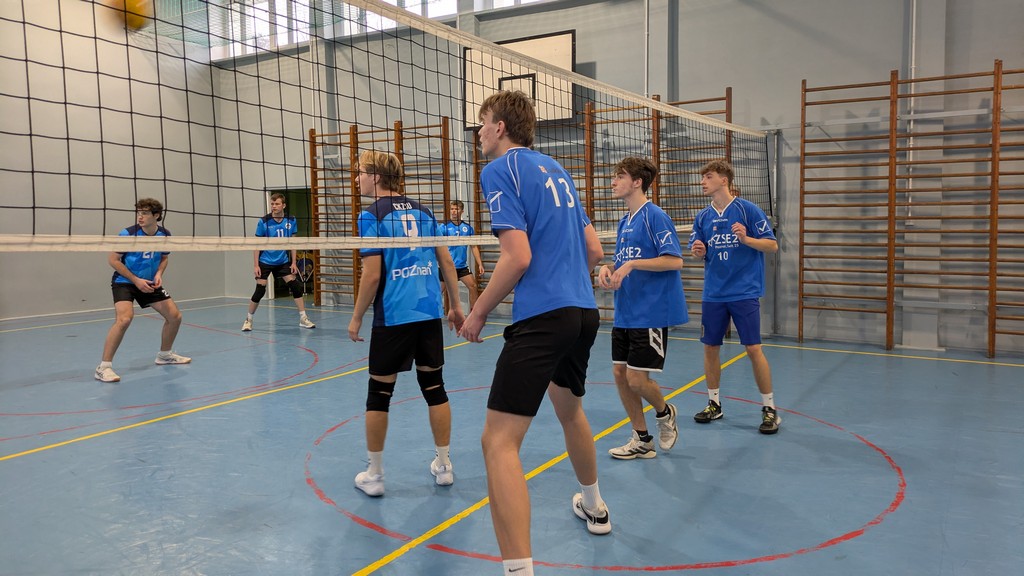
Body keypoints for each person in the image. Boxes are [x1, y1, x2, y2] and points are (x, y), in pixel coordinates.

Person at [459, 91, 609, 576]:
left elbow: (517, 256)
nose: (478, 132)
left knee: (498, 442)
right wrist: (567, 282)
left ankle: (518, 570)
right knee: (570, 411)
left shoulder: (499, 169)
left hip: (543, 317)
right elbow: (593, 248)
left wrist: (478, 312)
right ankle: (595, 506)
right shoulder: (557, 170)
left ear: (500, 127)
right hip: (582, 312)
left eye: (482, 122)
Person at [347, 150, 465, 497]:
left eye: (360, 172)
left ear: (376, 176)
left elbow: (372, 275)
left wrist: (356, 317)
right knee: (435, 388)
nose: (357, 178)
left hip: (394, 316)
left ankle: (375, 475)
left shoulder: (371, 215)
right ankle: (444, 465)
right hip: (428, 313)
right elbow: (446, 261)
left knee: (379, 393)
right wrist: (456, 306)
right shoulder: (425, 212)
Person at [597, 157, 686, 460]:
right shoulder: (625, 221)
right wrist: (608, 268)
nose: (613, 181)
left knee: (637, 379)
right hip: (625, 310)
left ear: (637, 182)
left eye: (619, 176)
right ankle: (642, 439)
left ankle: (665, 412)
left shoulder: (655, 216)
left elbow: (674, 260)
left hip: (650, 311)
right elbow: (623, 263)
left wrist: (632, 264)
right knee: (619, 374)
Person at [688, 159, 781, 434]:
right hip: (714, 293)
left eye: (708, 176)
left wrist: (746, 239)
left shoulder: (747, 209)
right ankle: (714, 404)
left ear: (724, 180)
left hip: (743, 291)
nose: (703, 181)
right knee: (710, 347)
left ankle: (770, 409)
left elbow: (772, 245)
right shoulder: (703, 217)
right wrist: (698, 251)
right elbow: (699, 250)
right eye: (703, 177)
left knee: (753, 349)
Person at [95, 198, 191, 382]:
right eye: (139, 213)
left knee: (174, 317)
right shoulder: (128, 234)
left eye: (145, 213)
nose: (140, 217)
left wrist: (159, 274)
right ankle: (103, 367)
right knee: (124, 319)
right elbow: (113, 260)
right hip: (125, 281)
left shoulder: (164, 235)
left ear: (156, 216)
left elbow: (164, 258)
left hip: (149, 282)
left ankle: (164, 355)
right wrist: (136, 280)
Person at [242, 193, 315, 331]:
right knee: (260, 290)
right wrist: (256, 265)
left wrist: (294, 263)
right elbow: (257, 244)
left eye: (277, 204)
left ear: (284, 205)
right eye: (272, 204)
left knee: (295, 286)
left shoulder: (291, 220)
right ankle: (248, 320)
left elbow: (293, 243)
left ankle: (303, 318)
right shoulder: (264, 221)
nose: (274, 206)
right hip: (265, 260)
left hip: (282, 261)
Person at [439, 199, 484, 313]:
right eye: (452, 209)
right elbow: (437, 245)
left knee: (473, 286)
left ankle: (474, 313)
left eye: (456, 209)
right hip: (448, 266)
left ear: (462, 211)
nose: (453, 211)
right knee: (438, 291)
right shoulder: (444, 227)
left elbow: (473, 246)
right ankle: (432, 314)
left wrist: (480, 264)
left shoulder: (467, 228)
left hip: (462, 266)